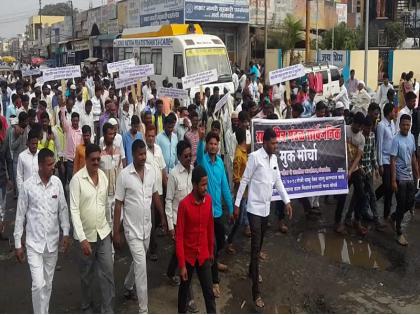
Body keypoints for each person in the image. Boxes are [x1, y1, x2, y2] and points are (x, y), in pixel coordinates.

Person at [234, 128, 292, 311]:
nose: (275, 146)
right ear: (265, 142)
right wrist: (237, 204)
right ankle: (256, 293)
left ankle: (252, 269)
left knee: (259, 245)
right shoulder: (254, 157)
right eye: (273, 143)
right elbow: (244, 180)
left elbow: (278, 182)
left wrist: (287, 201)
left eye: (276, 143)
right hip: (253, 209)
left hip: (266, 209)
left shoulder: (274, 159)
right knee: (255, 248)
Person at [14, 148, 70, 314]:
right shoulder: (28, 186)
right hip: (34, 244)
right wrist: (18, 243)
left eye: (53, 164)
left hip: (52, 244)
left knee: (48, 284)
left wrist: (65, 233)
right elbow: (19, 215)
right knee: (38, 284)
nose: (53, 167)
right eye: (49, 164)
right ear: (40, 166)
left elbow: (63, 210)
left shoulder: (57, 184)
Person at [113, 139, 166, 313]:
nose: (143, 157)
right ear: (133, 154)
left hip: (147, 227)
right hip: (131, 229)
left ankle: (128, 285)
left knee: (139, 260)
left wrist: (163, 216)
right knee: (141, 268)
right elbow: (119, 204)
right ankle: (144, 310)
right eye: (140, 154)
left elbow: (156, 194)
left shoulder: (151, 172)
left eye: (145, 154)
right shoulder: (124, 175)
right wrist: (116, 233)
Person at [69, 143, 115, 313]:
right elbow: (73, 210)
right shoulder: (77, 180)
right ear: (86, 159)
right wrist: (82, 238)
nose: (96, 162)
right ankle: (87, 306)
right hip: (85, 237)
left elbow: (105, 205)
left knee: (108, 274)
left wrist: (110, 230)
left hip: (103, 233)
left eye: (98, 159)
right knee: (86, 276)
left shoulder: (103, 177)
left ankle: (107, 309)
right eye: (93, 159)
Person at [197, 126, 233, 298]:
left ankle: (214, 261)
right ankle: (214, 281)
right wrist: (200, 140)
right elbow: (197, 157)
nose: (212, 146)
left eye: (215, 143)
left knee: (219, 241)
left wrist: (231, 208)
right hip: (206, 213)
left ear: (218, 146)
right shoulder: (203, 161)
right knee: (212, 245)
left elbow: (225, 187)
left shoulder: (219, 163)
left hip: (218, 212)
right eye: (210, 144)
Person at [176, 165, 216, 314]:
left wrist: (211, 251)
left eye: (206, 184)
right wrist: (182, 265)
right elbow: (179, 236)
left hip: (204, 255)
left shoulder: (209, 201)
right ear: (194, 185)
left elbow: (210, 228)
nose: (205, 188)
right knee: (184, 293)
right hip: (188, 257)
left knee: (209, 293)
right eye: (202, 185)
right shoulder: (184, 205)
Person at [165, 141, 194, 288]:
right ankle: (187, 293)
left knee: (179, 251)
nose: (189, 159)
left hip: (191, 220)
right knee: (182, 251)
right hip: (177, 221)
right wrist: (170, 226)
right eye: (186, 156)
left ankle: (170, 272)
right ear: (179, 157)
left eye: (190, 156)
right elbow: (169, 201)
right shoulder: (173, 175)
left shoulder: (193, 171)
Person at [335, 112, 368, 235]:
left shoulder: (361, 138)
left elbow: (358, 156)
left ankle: (357, 220)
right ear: (352, 122)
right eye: (355, 125)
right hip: (342, 168)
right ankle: (338, 222)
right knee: (342, 197)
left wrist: (350, 170)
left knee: (362, 195)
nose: (357, 128)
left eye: (359, 126)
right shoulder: (344, 129)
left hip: (354, 169)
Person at [391, 114, 419, 245]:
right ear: (400, 125)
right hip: (400, 178)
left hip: (410, 176)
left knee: (410, 202)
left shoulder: (412, 137)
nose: (406, 127)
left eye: (408, 125)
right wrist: (393, 180)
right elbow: (393, 160)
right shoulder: (396, 139)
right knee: (401, 203)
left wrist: (417, 173)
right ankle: (398, 232)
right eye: (403, 125)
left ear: (410, 125)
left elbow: (413, 156)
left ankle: (394, 217)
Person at [226, 128, 251, 254]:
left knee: (240, 218)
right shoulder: (238, 156)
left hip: (245, 192)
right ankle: (228, 240)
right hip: (240, 193)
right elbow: (236, 179)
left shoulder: (245, 152)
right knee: (238, 219)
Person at [145, 125, 167, 261]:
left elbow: (163, 169)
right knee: (151, 220)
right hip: (148, 192)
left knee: (159, 216)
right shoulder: (143, 151)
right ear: (145, 136)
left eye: (153, 136)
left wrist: (167, 186)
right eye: (149, 136)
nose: (151, 138)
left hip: (159, 190)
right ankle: (152, 249)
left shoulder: (158, 149)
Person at [60, 105, 82, 184]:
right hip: (70, 161)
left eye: (77, 121)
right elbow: (63, 119)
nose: (75, 122)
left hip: (79, 160)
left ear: (78, 121)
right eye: (74, 121)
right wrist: (62, 108)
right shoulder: (68, 129)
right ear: (71, 121)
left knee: (79, 180)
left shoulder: (81, 132)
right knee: (71, 181)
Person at [16, 129, 39, 194]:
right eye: (32, 143)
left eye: (36, 143)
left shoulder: (41, 155)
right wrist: (21, 191)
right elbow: (19, 176)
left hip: (39, 192)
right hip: (27, 192)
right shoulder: (22, 156)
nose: (35, 146)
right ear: (28, 143)